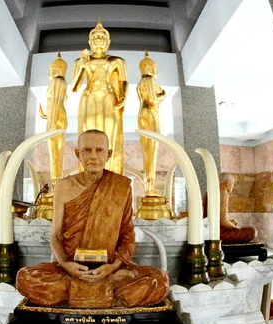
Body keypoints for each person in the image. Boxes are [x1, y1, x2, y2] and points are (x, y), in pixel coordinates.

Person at [16, 130, 168, 309]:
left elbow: (127, 236)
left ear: (108, 154)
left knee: (159, 280)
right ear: (77, 154)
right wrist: (66, 265)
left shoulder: (121, 186)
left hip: (109, 269)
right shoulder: (64, 187)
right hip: (71, 270)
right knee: (23, 277)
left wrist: (113, 268)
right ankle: (106, 294)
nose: (93, 156)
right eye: (87, 150)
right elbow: (56, 236)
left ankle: (86, 292)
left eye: (99, 150)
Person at [71, 21, 128, 175]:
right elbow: (74, 87)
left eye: (102, 36)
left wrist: (122, 96)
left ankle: (110, 174)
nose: (98, 39)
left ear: (108, 42)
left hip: (109, 97)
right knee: (87, 135)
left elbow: (123, 81)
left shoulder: (116, 60)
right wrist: (83, 66)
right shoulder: (82, 60)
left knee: (109, 134)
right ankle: (88, 175)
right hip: (89, 97)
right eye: (95, 37)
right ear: (89, 42)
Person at [137, 51, 166, 196]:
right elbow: (152, 101)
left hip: (148, 114)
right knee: (151, 149)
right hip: (150, 114)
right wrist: (163, 96)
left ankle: (150, 186)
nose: (156, 71)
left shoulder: (145, 81)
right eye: (154, 68)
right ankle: (149, 187)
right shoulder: (148, 81)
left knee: (150, 149)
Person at [39, 52, 68, 187]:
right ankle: (56, 180)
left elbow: (56, 102)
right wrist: (46, 115)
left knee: (54, 147)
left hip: (56, 116)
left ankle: (56, 181)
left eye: (50, 70)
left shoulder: (57, 81)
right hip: (56, 115)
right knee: (56, 147)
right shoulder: (60, 82)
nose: (48, 74)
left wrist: (50, 119)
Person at [219, 173, 257, 243]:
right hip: (219, 234)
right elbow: (223, 221)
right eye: (233, 184)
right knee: (252, 231)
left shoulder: (214, 192)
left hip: (212, 230)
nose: (233, 187)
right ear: (227, 183)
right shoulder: (223, 193)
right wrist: (236, 228)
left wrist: (230, 222)